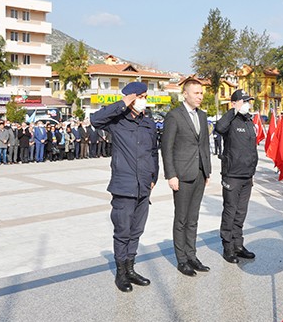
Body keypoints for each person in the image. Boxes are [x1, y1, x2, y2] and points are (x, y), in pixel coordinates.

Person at [90, 81, 159, 293]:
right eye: (141, 97)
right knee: (123, 231)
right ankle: (121, 273)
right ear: (132, 98)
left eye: (146, 97)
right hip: (124, 185)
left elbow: (153, 152)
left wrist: (154, 176)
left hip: (143, 186)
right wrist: (123, 103)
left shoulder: (148, 123)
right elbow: (95, 120)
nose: (145, 101)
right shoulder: (116, 121)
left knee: (137, 230)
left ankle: (131, 269)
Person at [161, 78, 212, 277]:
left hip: (199, 173)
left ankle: (192, 255)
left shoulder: (202, 116)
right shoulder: (174, 116)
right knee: (181, 219)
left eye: (201, 93)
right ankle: (181, 260)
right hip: (181, 176)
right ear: (186, 94)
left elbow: (205, 146)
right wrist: (171, 175)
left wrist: (206, 171)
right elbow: (167, 148)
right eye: (196, 93)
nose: (200, 96)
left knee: (193, 219)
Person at [214, 89, 258, 264]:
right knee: (230, 211)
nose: (247, 104)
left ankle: (238, 245)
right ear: (235, 103)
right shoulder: (230, 120)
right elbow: (219, 127)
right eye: (244, 101)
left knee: (241, 212)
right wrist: (233, 110)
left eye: (248, 101)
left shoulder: (248, 121)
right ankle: (228, 246)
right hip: (232, 174)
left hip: (247, 175)